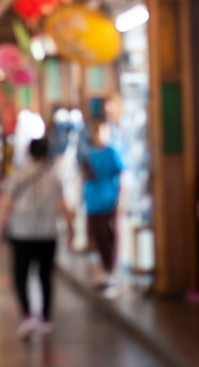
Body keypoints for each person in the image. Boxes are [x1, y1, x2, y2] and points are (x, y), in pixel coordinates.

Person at [0, 138, 73, 339]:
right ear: (46, 153)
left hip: (22, 233)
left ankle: (27, 315)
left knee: (21, 275)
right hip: (48, 234)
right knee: (45, 276)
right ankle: (45, 317)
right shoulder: (53, 177)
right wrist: (71, 229)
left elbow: (6, 204)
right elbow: (63, 205)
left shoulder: (17, 176)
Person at [82, 121, 124, 295]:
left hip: (109, 199)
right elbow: (85, 174)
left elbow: (122, 174)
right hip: (93, 202)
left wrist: (122, 198)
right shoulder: (88, 154)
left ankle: (110, 271)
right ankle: (102, 272)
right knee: (97, 237)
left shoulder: (112, 152)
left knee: (110, 236)